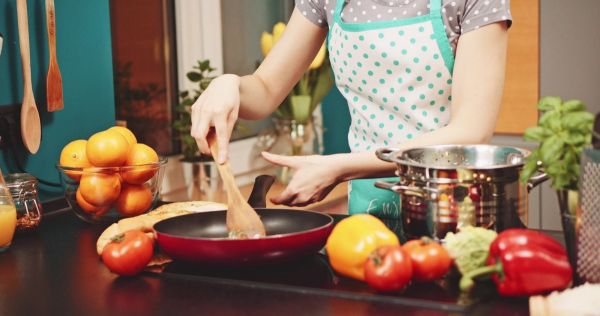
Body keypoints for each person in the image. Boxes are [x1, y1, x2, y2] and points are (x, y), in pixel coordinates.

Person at [190, 0, 511, 218]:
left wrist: (340, 167)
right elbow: (265, 90)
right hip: (369, 214)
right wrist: (229, 84)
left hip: (455, 214)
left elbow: (470, 132)